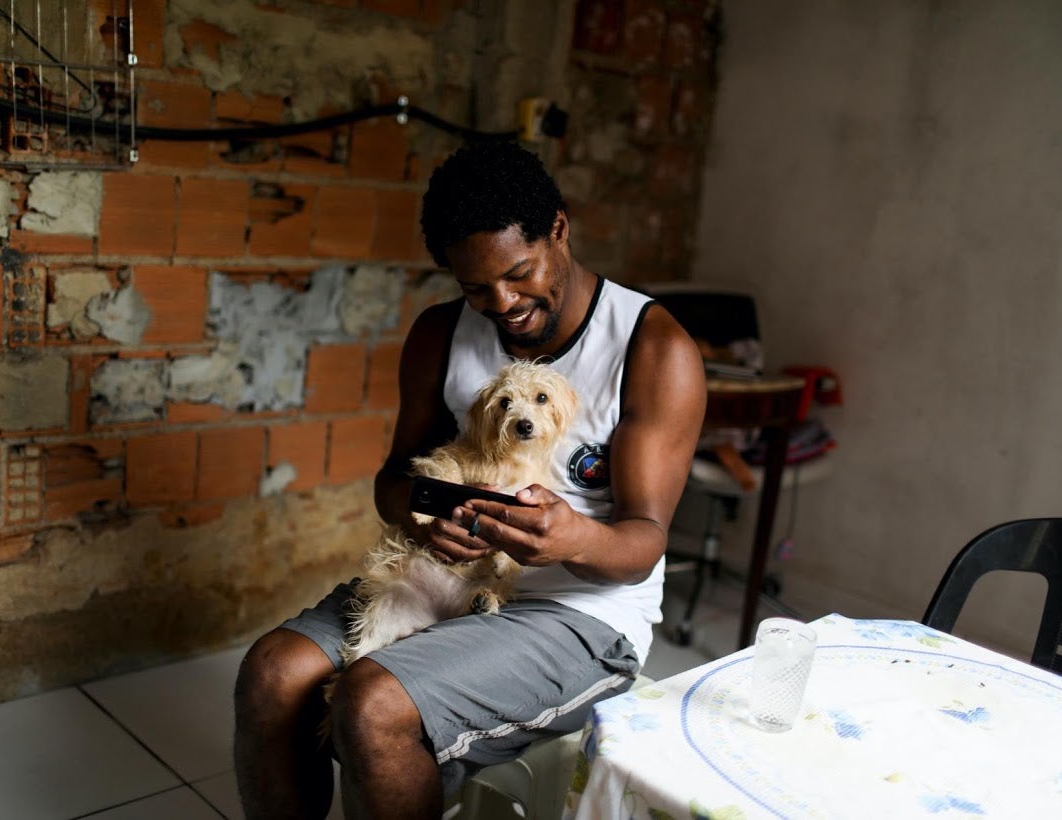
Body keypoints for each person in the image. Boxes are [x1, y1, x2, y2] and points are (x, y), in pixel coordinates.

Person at [233, 141, 707, 819]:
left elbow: (643, 543)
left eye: (520, 273)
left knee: (372, 704)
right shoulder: (440, 334)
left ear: (560, 231)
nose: (504, 303)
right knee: (273, 674)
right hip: (448, 579)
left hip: (579, 612)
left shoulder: (652, 348)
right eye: (476, 287)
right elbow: (393, 483)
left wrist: (570, 538)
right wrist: (427, 512)